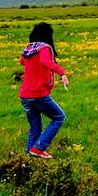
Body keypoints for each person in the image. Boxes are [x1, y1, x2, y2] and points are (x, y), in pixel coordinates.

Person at [18, 22, 69, 159]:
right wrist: (62, 73)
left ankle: (30, 156)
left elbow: (22, 61)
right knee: (59, 117)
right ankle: (39, 148)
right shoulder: (44, 48)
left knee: (35, 127)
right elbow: (45, 61)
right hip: (38, 94)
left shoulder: (29, 48)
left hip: (24, 95)